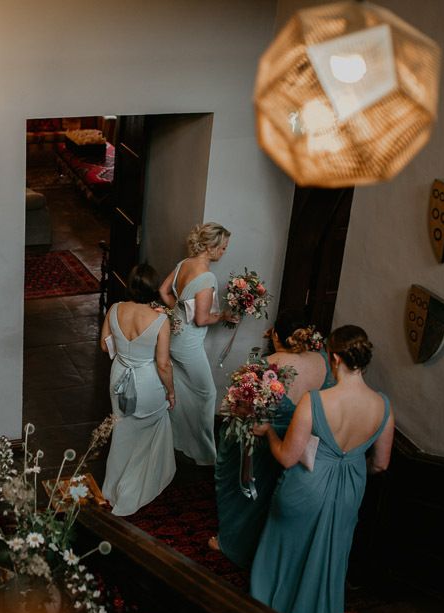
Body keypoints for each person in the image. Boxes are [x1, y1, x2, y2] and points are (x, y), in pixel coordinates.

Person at [249, 325, 394, 613]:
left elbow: (288, 458)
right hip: (349, 491)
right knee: (330, 554)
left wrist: (269, 433)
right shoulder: (383, 405)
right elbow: (381, 464)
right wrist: (352, 467)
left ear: (335, 358)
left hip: (306, 487)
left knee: (287, 549)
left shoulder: (315, 401)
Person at [210, 311, 335, 568]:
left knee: (237, 471)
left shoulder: (266, 367)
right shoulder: (325, 360)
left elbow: (242, 408)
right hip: (306, 444)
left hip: (268, 441)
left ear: (275, 335)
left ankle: (234, 543)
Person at [100, 263, 176, 516]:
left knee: (122, 430)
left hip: (119, 377)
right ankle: (133, 489)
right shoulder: (160, 320)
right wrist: (171, 392)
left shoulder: (114, 309)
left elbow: (103, 345)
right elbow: (163, 364)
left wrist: (124, 351)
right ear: (153, 289)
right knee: (147, 432)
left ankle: (111, 489)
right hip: (147, 382)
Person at [158, 222, 233, 465]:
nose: (224, 252)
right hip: (188, 343)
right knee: (207, 393)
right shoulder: (206, 276)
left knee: (179, 387)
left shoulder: (184, 264)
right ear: (211, 247)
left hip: (172, 334)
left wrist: (176, 314)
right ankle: (203, 450)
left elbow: (163, 291)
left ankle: (175, 437)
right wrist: (224, 316)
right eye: (222, 248)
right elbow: (201, 319)